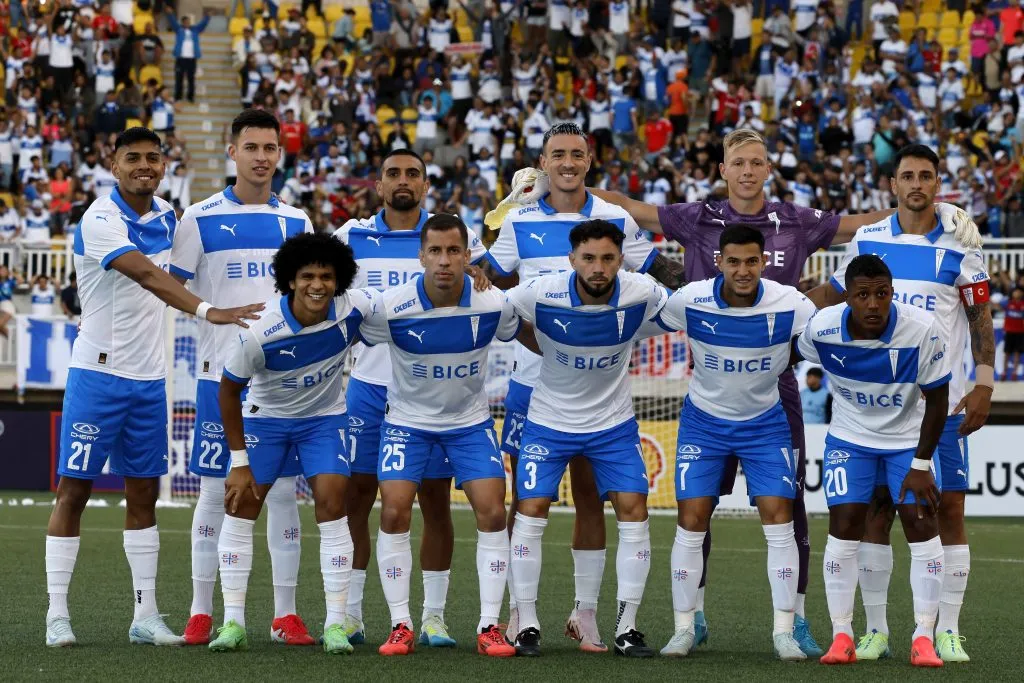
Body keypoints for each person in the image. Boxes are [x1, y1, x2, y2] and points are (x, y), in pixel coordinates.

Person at [578, 127, 982, 655]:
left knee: (789, 510)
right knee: (695, 512)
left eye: (757, 162)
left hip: (777, 390)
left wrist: (940, 208)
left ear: (769, 169)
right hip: (709, 393)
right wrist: (566, 184)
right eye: (737, 163)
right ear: (723, 170)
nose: (747, 171)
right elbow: (628, 208)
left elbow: (862, 227)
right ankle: (691, 617)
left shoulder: (796, 220)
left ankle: (796, 621)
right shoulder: (696, 218)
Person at [44, 127, 261, 648]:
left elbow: (194, 269)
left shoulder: (170, 216)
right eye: (133, 158)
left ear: (163, 165)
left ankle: (145, 614)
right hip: (97, 375)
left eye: (152, 157)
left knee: (144, 493)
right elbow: (148, 275)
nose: (144, 165)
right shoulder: (99, 218)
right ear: (113, 165)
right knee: (73, 490)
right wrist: (212, 312)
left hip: (150, 381)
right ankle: (56, 614)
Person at [482, 122, 684, 652]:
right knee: (527, 503)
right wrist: (501, 210)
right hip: (534, 385)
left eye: (576, 154)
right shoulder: (521, 220)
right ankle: (515, 612)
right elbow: (488, 283)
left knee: (594, 501)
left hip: (602, 389)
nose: (567, 163)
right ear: (543, 162)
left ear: (589, 159)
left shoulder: (615, 219)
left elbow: (657, 273)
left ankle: (585, 615)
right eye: (557, 155)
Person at [807, 144, 995, 663]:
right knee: (874, 514)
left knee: (947, 510)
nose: (916, 184)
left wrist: (983, 380)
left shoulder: (961, 244)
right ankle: (874, 630)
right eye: (907, 175)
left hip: (944, 404)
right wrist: (788, 299)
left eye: (926, 176)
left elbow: (980, 317)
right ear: (893, 183)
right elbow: (842, 292)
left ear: (939, 183)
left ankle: (946, 629)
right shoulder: (868, 239)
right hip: (877, 409)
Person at [332, 148, 490, 648]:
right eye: (393, 173)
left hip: (432, 395)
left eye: (413, 174)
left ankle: (434, 618)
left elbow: (485, 288)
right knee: (357, 497)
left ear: (426, 185)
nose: (403, 181)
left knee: (436, 499)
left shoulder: (452, 238)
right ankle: (350, 613)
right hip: (367, 388)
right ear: (378, 184)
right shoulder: (350, 236)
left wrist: (483, 271)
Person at [170, 109, 316, 647]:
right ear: (232, 152)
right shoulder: (199, 217)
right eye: (250, 146)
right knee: (215, 494)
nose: (261, 157)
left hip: (282, 382)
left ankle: (285, 615)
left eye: (270, 148)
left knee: (281, 496)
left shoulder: (298, 222)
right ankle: (201, 611)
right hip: (218, 378)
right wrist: (213, 312)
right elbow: (174, 288)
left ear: (280, 154)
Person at [356, 214, 532, 658]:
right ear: (421, 257)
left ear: (468, 256)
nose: (444, 261)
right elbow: (346, 328)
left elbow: (529, 334)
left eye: (454, 251)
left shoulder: (493, 304)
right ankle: (401, 624)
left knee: (493, 513)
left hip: (469, 425)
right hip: (406, 425)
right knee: (394, 512)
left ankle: (489, 626)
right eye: (435, 251)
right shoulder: (391, 306)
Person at [504, 219, 669, 658]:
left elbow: (682, 309)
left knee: (633, 509)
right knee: (531, 508)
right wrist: (538, 339)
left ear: (620, 260)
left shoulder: (642, 291)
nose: (599, 268)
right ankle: (526, 621)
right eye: (590, 258)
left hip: (612, 426)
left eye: (609, 258)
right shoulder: (539, 291)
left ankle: (626, 626)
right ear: (572, 259)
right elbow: (497, 314)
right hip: (548, 422)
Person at [651, 225, 817, 660]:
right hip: (703, 424)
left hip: (766, 425)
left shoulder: (793, 304)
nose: (742, 271)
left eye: (751, 262)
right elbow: (640, 323)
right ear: (719, 262)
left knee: (779, 520)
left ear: (763, 263)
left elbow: (826, 337)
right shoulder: (690, 299)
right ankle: (684, 628)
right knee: (691, 520)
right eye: (734, 262)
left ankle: (783, 632)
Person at [207, 232, 371, 654]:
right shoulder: (260, 333)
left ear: (339, 281)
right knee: (241, 508)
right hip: (268, 423)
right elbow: (227, 392)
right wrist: (239, 462)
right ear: (290, 281)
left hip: (323, 420)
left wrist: (475, 276)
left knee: (335, 504)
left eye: (327, 277)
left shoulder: (353, 312)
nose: (318, 285)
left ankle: (336, 625)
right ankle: (233, 623)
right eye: (308, 276)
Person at [796, 254, 950, 668]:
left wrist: (921, 464)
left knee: (922, 526)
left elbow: (938, 401)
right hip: (850, 439)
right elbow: (793, 353)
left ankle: (923, 636)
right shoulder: (822, 328)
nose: (873, 304)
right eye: (862, 295)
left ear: (892, 293)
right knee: (845, 526)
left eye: (881, 294)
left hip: (905, 441)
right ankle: (842, 634)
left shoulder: (921, 330)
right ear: (847, 297)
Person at [166, 8, 212, 103]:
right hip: (181, 58)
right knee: (179, 78)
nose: (187, 23)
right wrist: (170, 14)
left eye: (188, 22)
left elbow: (202, 24)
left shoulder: (195, 30)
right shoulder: (179, 29)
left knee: (191, 79)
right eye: (186, 22)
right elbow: (173, 22)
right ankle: (178, 96)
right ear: (182, 23)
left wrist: (207, 16)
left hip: (191, 58)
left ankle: (190, 97)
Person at [1004, 288, 1024, 381]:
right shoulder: (1007, 303)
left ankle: (1014, 373)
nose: (1017, 293)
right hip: (1009, 332)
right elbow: (996, 306)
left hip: (1019, 332)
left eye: (1019, 291)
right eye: (1015, 291)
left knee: (1017, 353)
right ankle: (1004, 372)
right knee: (1007, 353)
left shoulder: (1023, 304)